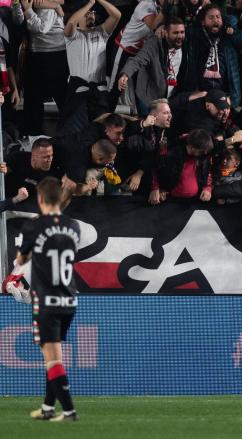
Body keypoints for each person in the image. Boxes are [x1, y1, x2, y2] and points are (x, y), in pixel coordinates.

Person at [15, 177, 81, 421]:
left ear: (40, 199)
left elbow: (21, 261)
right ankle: (47, 408)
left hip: (46, 301)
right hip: (70, 300)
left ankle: (70, 411)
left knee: (52, 359)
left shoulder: (34, 226)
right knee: (52, 355)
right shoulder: (74, 226)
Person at [60, 0, 121, 133]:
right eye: (87, 13)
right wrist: (88, 4)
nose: (91, 15)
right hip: (78, 92)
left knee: (103, 131)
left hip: (100, 92)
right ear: (78, 15)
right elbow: (70, 24)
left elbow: (116, 15)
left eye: (93, 12)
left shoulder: (102, 32)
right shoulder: (72, 36)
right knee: (73, 132)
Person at [20, 0, 69, 134]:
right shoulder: (46, 3)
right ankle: (34, 133)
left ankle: (68, 131)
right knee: (35, 95)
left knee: (57, 94)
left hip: (51, 53)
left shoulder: (47, 4)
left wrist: (28, 9)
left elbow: (41, 28)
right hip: (41, 51)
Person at [117, 17, 189, 106]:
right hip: (149, 98)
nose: (180, 36)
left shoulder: (186, 44)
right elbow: (138, 59)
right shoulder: (154, 43)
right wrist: (125, 74)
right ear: (165, 33)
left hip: (171, 97)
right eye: (175, 33)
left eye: (182, 32)